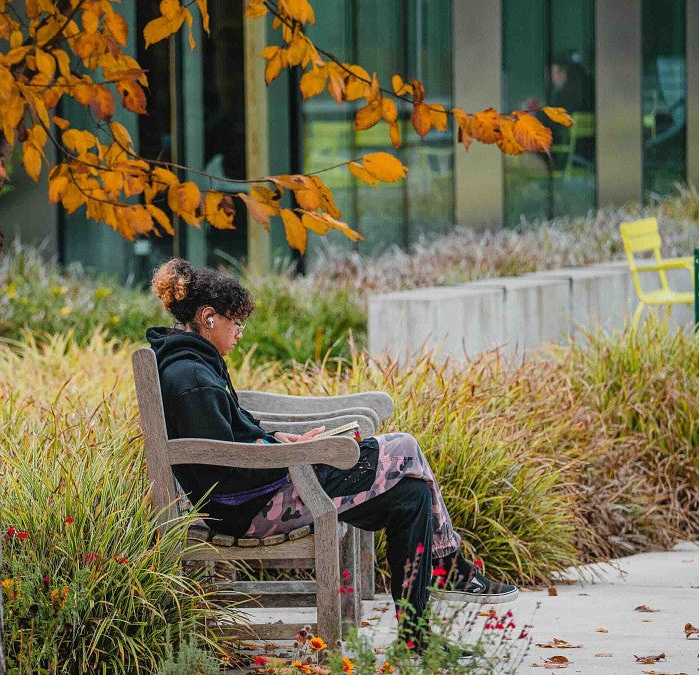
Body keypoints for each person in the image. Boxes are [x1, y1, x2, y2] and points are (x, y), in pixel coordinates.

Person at [145, 258, 517, 648]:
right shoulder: (191, 377)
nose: (240, 333)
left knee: (413, 497)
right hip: (250, 510)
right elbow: (224, 471)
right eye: (236, 322)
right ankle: (450, 566)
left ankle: (416, 637)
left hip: (263, 494)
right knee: (404, 446)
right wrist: (299, 453)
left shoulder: (196, 366)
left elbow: (231, 441)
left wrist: (277, 441)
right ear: (208, 317)